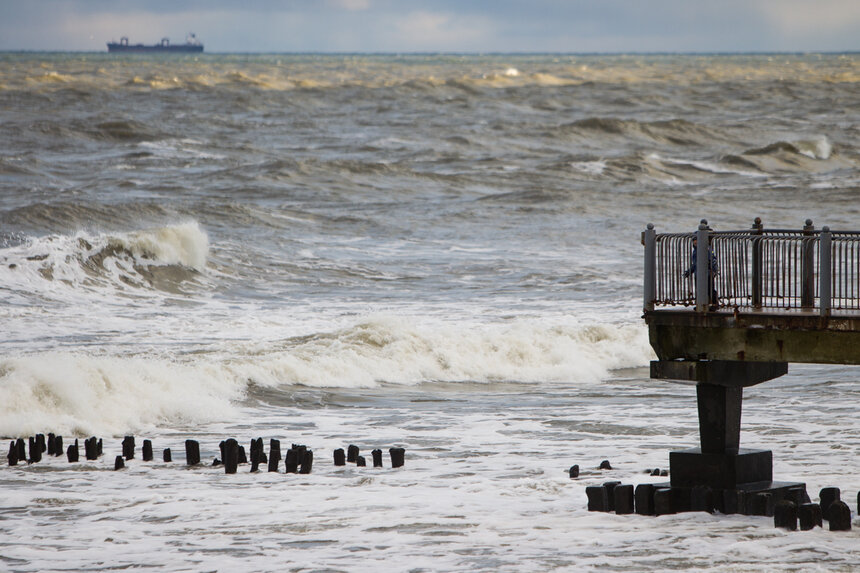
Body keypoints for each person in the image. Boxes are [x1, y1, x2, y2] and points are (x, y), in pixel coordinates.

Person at [683, 237, 719, 309]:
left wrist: (714, 270)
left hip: (708, 273)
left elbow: (712, 260)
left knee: (710, 289)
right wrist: (689, 271)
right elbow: (695, 264)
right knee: (699, 289)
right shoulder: (695, 251)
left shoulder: (708, 249)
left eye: (697, 240)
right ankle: (700, 304)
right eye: (694, 240)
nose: (695, 242)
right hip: (698, 273)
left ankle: (715, 304)